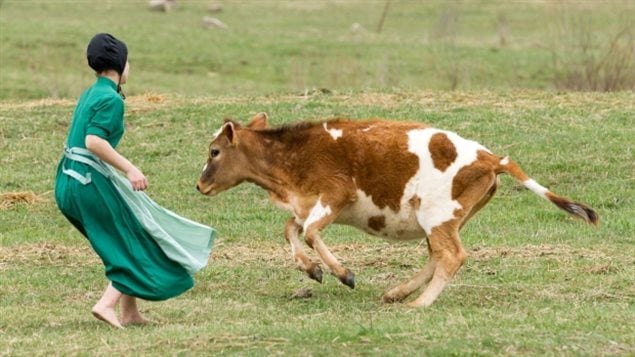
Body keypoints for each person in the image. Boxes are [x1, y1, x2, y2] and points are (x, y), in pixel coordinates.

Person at [55, 33, 215, 329]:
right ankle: (106, 304)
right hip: (88, 183)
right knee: (129, 242)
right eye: (129, 61)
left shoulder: (90, 93)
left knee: (123, 238)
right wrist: (130, 168)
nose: (131, 67)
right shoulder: (110, 99)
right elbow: (93, 141)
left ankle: (129, 312)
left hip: (68, 181)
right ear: (119, 64)